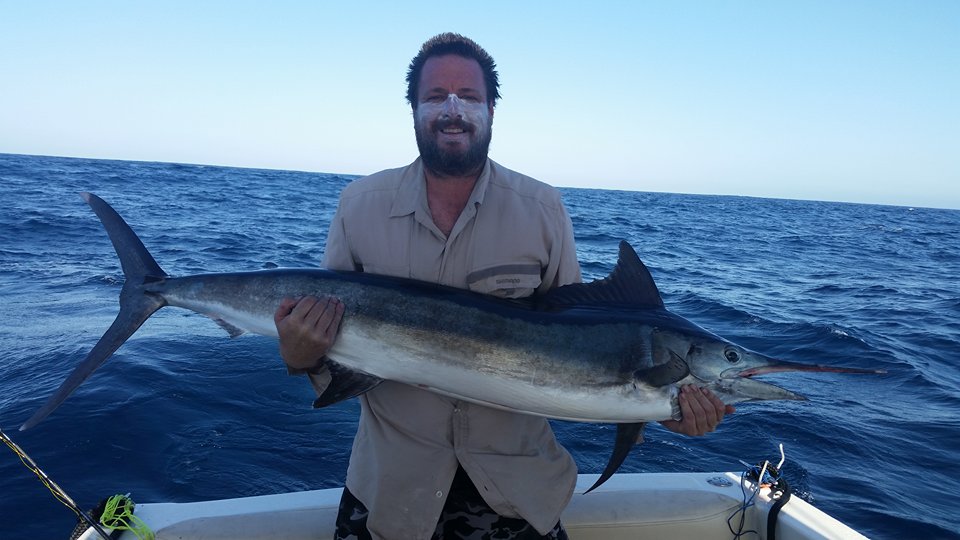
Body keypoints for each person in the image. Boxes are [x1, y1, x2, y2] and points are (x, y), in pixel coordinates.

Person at [274, 33, 733, 540]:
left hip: (517, 497)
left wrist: (664, 411)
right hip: (388, 492)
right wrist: (299, 355)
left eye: (469, 96)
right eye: (435, 96)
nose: (453, 110)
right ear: (414, 109)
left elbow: (584, 349)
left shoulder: (543, 208)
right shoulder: (359, 203)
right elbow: (327, 341)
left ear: (491, 110)